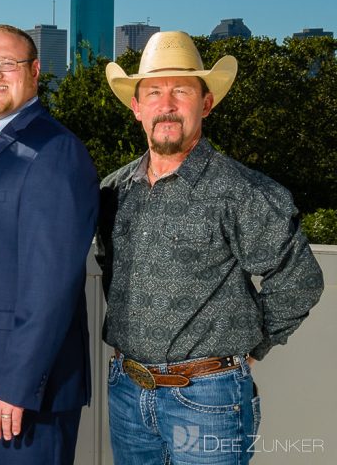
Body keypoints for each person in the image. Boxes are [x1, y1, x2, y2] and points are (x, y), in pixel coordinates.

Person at [97, 30, 324, 465]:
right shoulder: (113, 189)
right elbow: (110, 268)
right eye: (154, 92)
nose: (167, 105)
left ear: (206, 103)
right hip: (127, 392)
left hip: (207, 399)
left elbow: (298, 279)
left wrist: (255, 348)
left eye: (181, 91)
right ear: (136, 107)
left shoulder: (240, 190)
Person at [0, 24, 99, 465]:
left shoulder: (54, 150)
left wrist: (16, 383)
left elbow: (51, 284)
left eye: (6, 63)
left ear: (34, 71)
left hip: (20, 390)